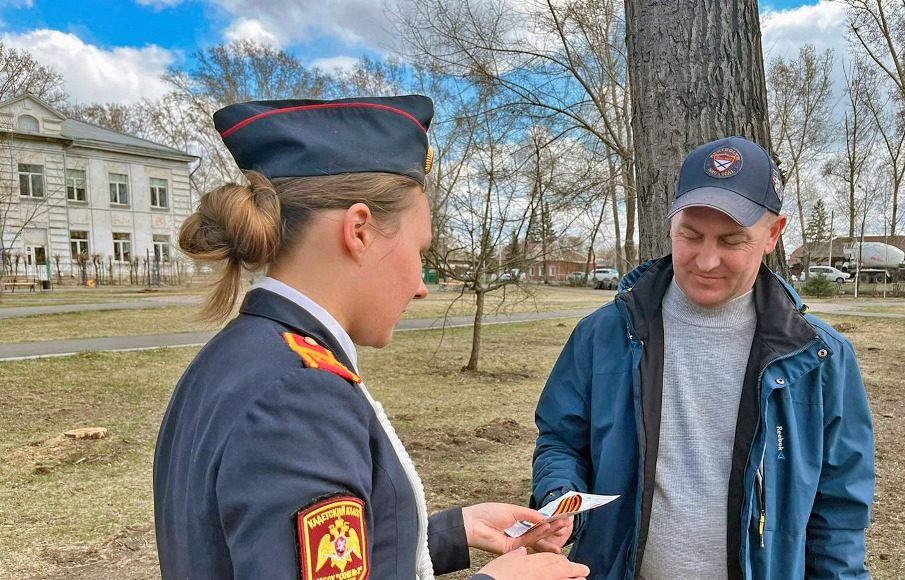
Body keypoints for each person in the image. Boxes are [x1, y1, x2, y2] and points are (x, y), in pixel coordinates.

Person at [153, 95, 587, 580]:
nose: (421, 286)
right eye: (419, 251)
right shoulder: (298, 396)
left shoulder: (239, 355)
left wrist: (453, 531)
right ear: (359, 230)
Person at [532, 136, 875, 579]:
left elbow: (839, 511)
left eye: (732, 241)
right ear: (671, 224)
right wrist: (560, 497)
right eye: (691, 236)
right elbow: (561, 440)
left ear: (773, 234)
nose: (706, 261)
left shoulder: (819, 357)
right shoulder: (603, 335)